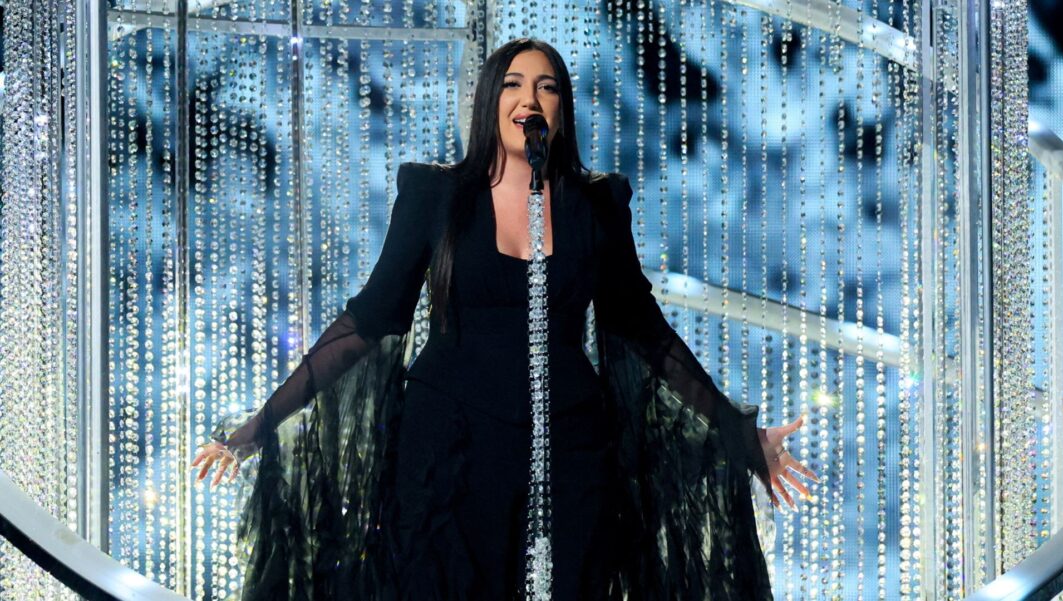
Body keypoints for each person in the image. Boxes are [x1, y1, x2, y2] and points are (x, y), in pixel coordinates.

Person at [193, 37, 817, 600]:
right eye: (513, 84)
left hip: (570, 448)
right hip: (450, 450)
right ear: (490, 101)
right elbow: (371, 319)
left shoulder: (597, 204)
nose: (530, 99)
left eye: (547, 86)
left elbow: (645, 332)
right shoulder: (436, 195)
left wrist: (741, 437)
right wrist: (258, 426)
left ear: (562, 110)